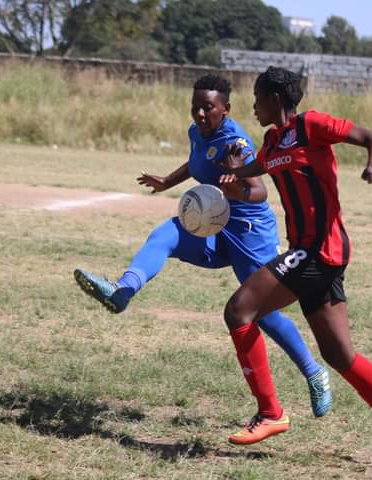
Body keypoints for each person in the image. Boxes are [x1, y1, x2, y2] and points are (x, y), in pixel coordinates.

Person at [73, 74, 333, 419]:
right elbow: (198, 160)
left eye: (207, 107)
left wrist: (236, 187)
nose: (199, 113)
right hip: (213, 225)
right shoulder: (197, 132)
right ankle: (123, 290)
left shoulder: (236, 142)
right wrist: (167, 181)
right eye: (195, 106)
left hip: (249, 231)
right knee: (165, 235)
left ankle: (314, 373)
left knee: (261, 313)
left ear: (225, 109)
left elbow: (259, 192)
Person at [217, 66, 372, 465]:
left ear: (275, 98)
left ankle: (270, 412)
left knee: (239, 309)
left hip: (319, 250)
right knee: (338, 354)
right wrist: (234, 174)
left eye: (258, 99)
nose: (254, 106)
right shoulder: (272, 141)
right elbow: (255, 170)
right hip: (309, 252)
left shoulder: (311, 126)